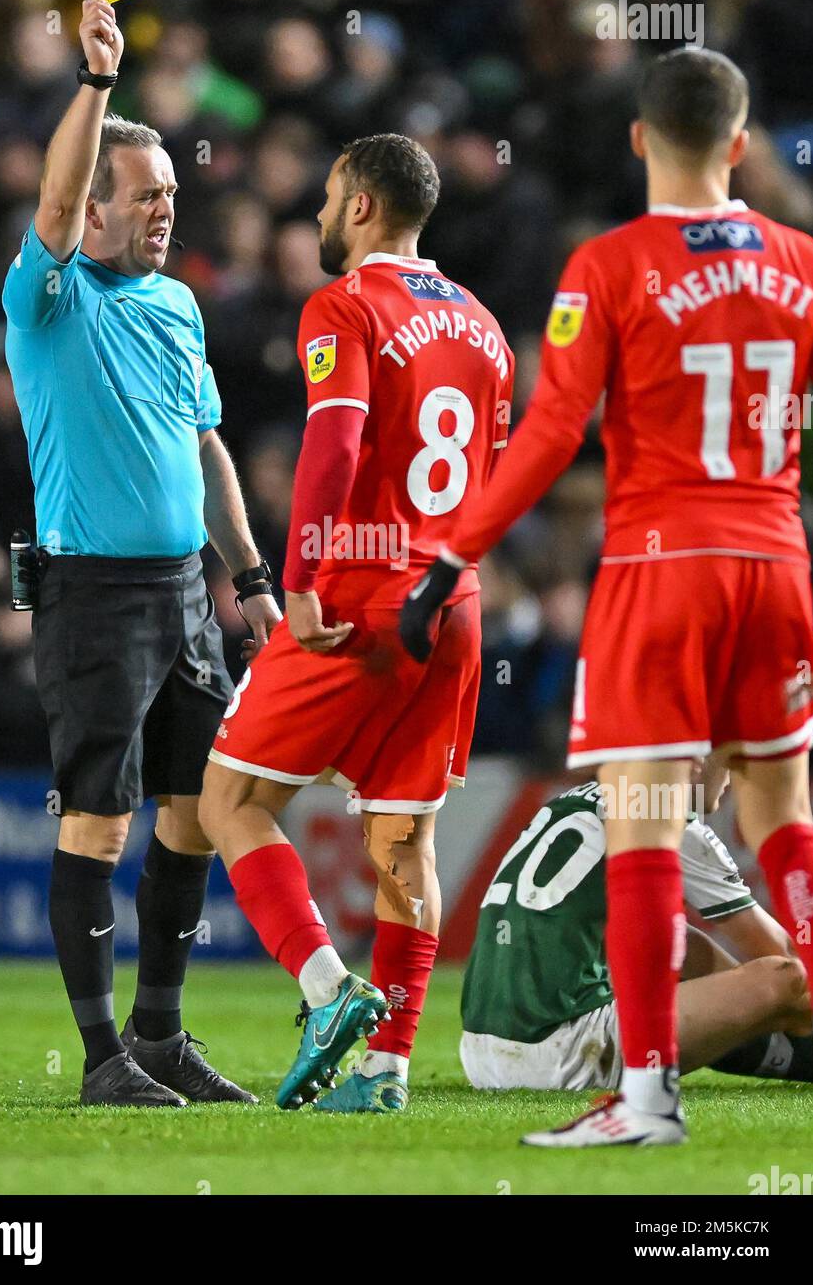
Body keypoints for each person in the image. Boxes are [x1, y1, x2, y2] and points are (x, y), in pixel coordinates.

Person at [401, 46, 813, 1146]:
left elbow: (548, 437)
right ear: (738, 146)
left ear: (640, 139)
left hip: (656, 567)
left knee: (642, 821)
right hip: (775, 564)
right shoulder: (802, 265)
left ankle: (643, 1101)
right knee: (782, 818)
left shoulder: (611, 264)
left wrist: (453, 556)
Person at [197, 133, 514, 1111]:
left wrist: (296, 579)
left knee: (228, 802)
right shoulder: (486, 327)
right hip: (452, 602)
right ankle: (386, 1072)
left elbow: (331, 446)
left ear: (364, 207)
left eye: (331, 199)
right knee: (404, 838)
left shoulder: (343, 306)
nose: (321, 217)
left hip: (358, 594)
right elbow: (497, 475)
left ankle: (328, 990)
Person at [3, 0, 280, 1108]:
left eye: (173, 194)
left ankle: (159, 1034)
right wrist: (98, 84)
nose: (166, 212)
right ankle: (100, 1056)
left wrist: (249, 576)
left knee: (189, 813)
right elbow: (59, 197)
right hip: (94, 595)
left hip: (183, 593)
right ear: (98, 211)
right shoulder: (48, 296)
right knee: (100, 818)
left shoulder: (175, 304)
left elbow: (206, 444)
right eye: (147, 197)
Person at [461, 763, 813, 1093]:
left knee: (675, 936)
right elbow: (781, 952)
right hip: (565, 1048)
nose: (730, 778)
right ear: (695, 758)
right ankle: (803, 1056)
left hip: (480, 1054)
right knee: (785, 978)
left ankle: (792, 1044)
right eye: (726, 760)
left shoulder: (575, 799)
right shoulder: (664, 811)